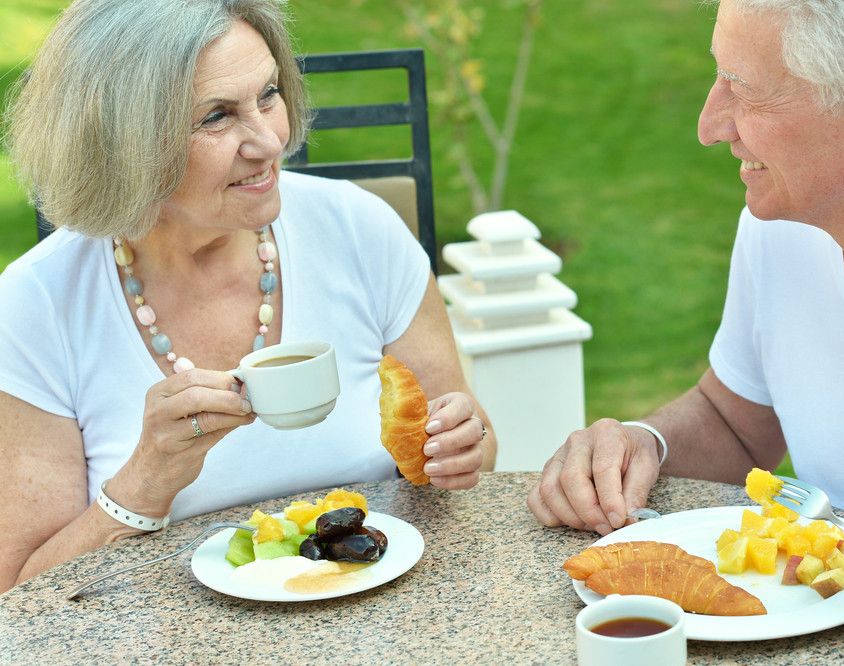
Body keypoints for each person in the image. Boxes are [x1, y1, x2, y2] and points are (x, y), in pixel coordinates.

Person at [529, 0, 844, 629]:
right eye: (717, 76)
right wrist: (644, 445)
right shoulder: (782, 223)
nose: (709, 124)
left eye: (743, 90)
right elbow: (736, 423)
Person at [0, 0, 495, 593]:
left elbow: (471, 453)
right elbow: (21, 597)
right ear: (121, 144)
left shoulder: (361, 230)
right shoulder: (37, 306)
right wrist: (144, 483)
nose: (269, 141)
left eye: (268, 95)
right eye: (216, 117)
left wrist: (464, 448)